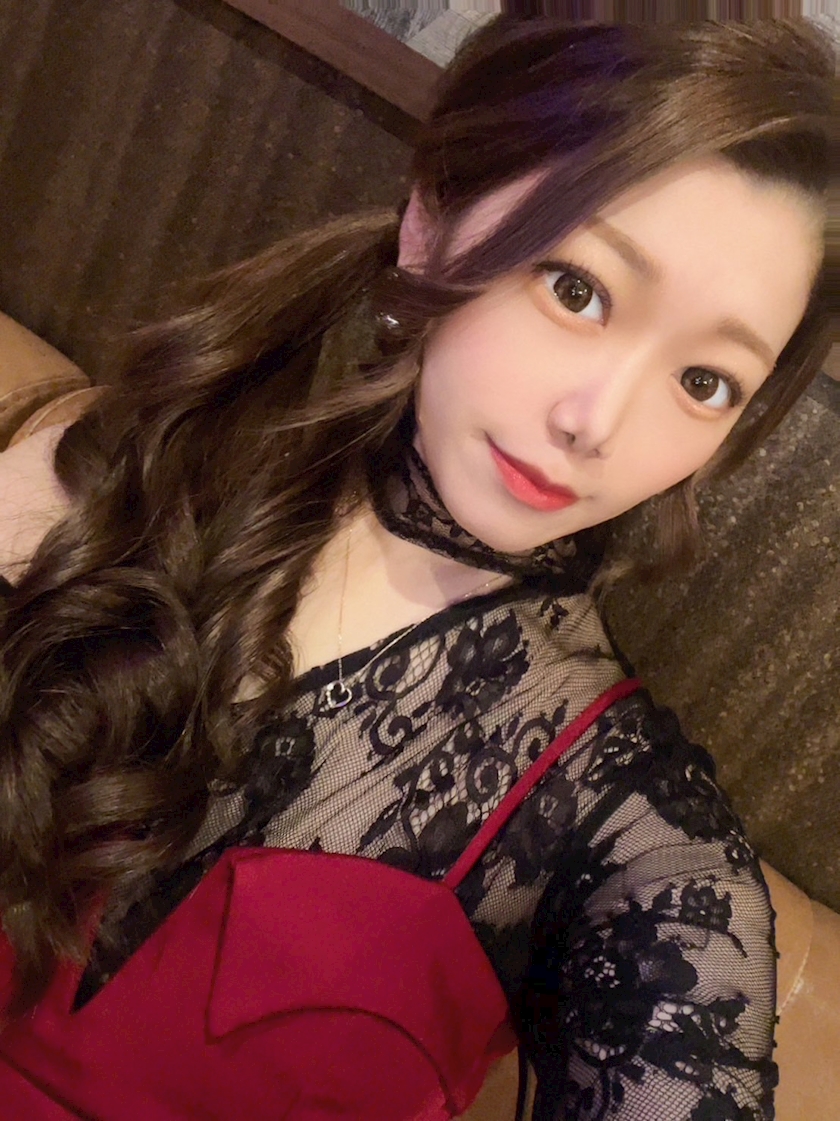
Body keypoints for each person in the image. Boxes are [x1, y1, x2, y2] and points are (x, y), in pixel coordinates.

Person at [0, 15, 834, 1121]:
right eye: (576, 288)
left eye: (705, 382)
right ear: (433, 219)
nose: (596, 423)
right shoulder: (127, 467)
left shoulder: (626, 837)